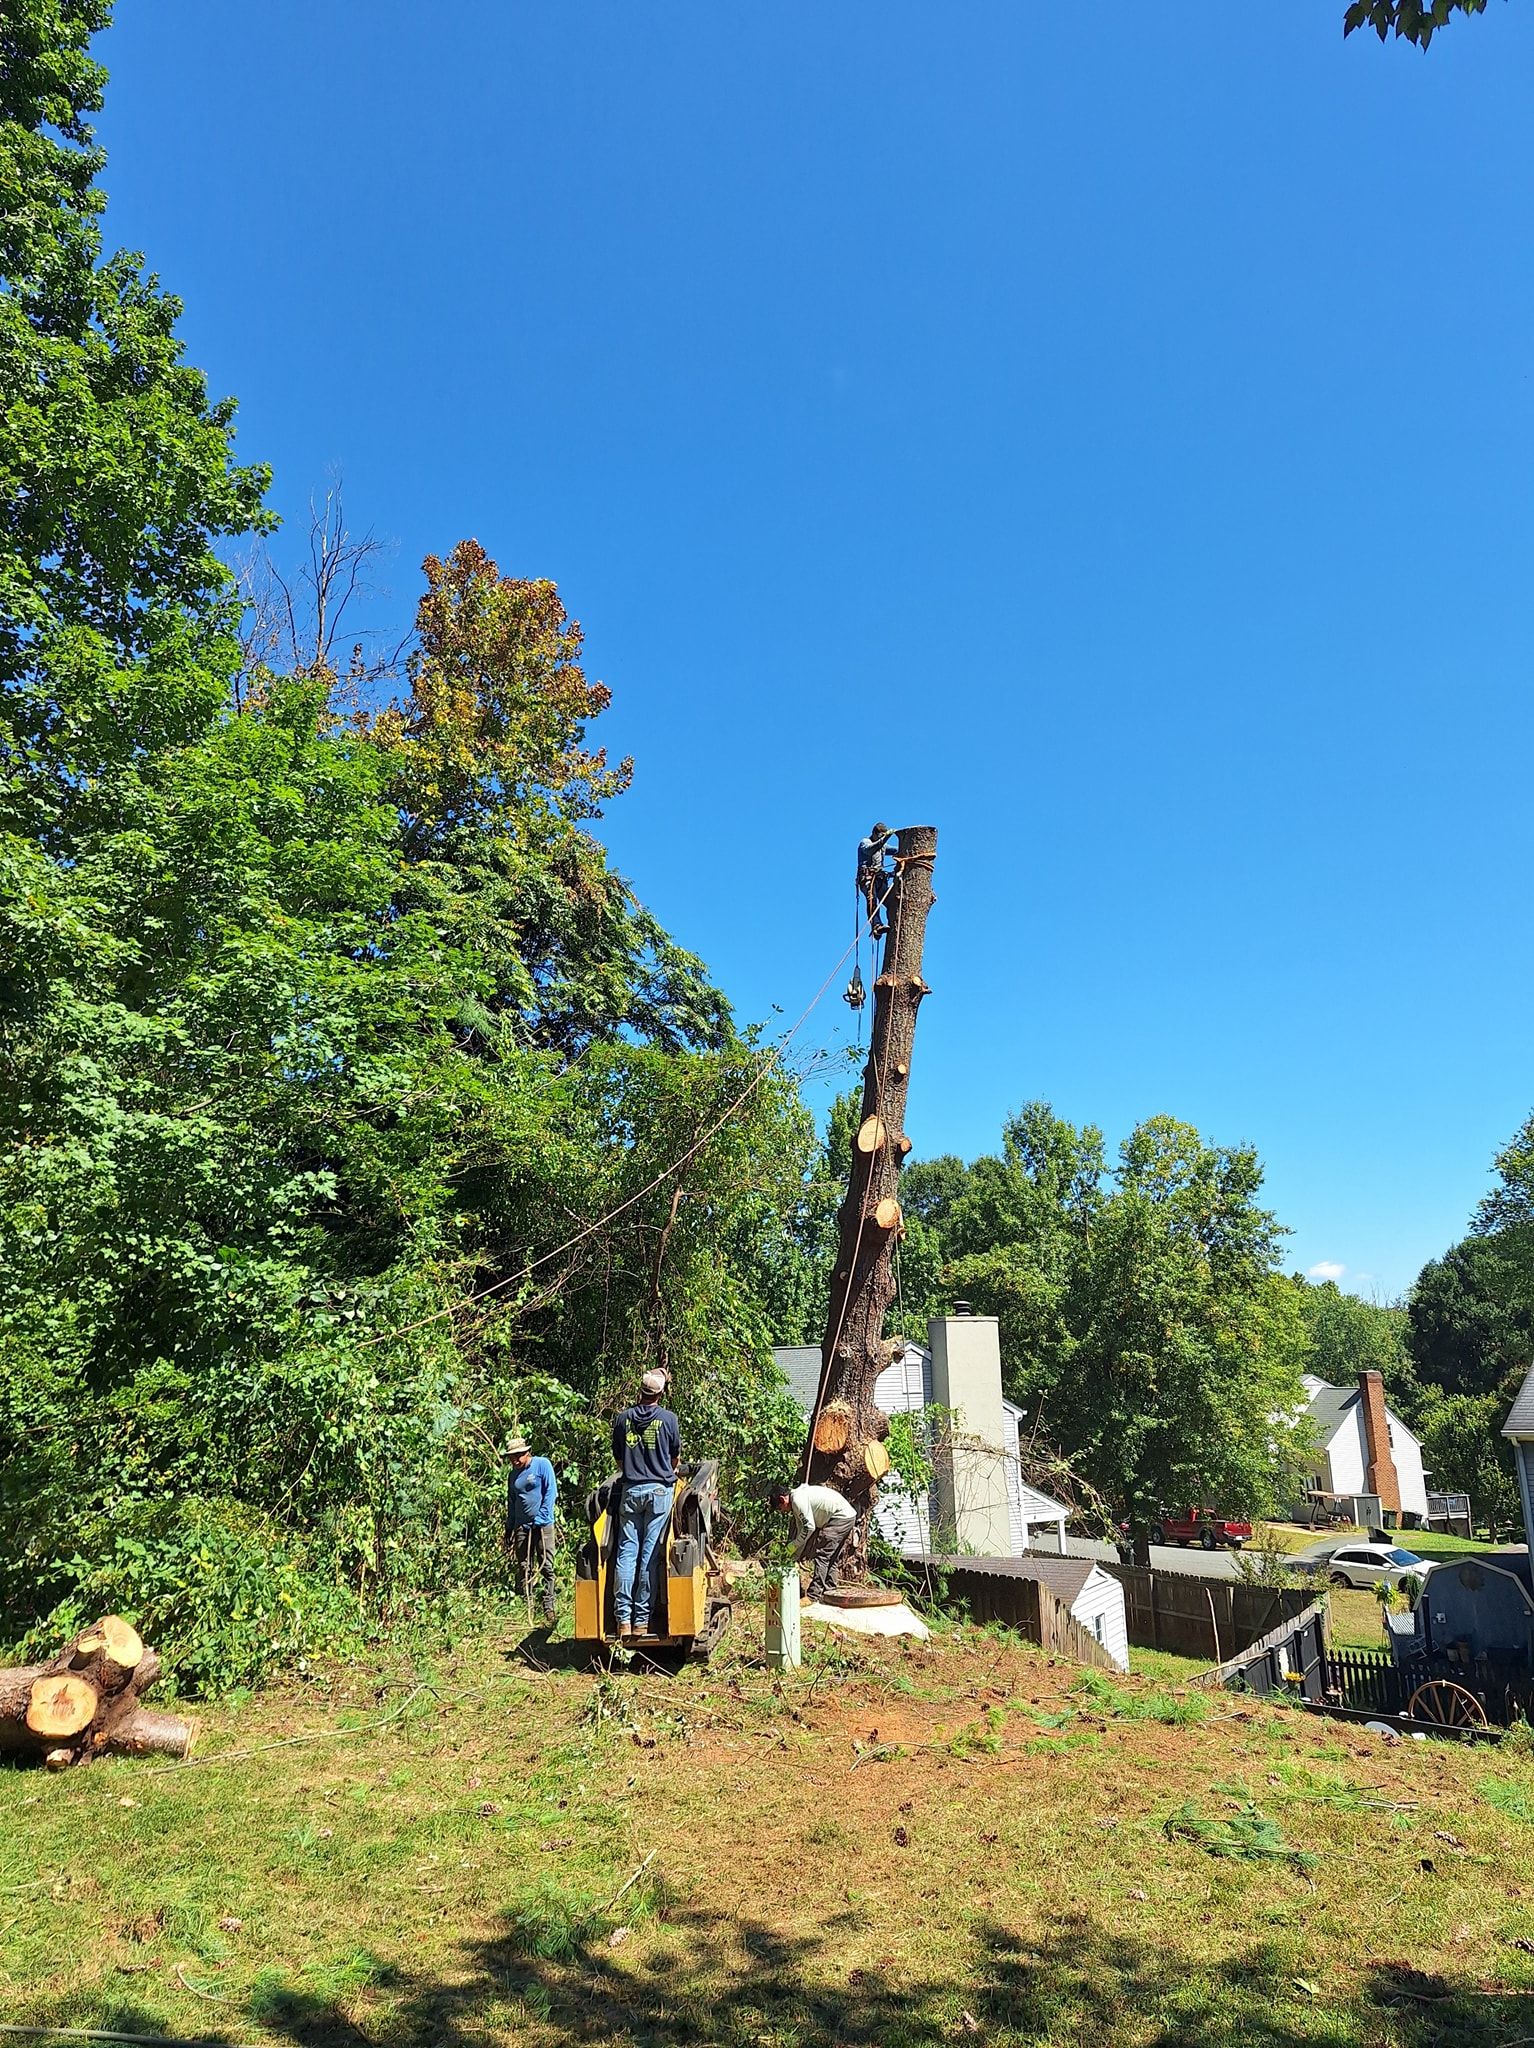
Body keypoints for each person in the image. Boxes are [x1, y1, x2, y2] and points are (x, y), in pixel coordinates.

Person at [611, 1370, 681, 1640]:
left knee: (626, 1555)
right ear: (660, 1394)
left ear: (639, 1390)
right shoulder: (668, 1419)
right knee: (650, 1556)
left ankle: (623, 1621)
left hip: (630, 1491)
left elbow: (619, 1459)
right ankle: (642, 1621)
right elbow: (675, 1459)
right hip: (659, 1492)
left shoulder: (623, 1419)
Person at [769, 1480, 857, 1601]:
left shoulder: (798, 1501)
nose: (783, 1511)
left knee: (823, 1555)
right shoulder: (797, 1498)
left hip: (840, 1518)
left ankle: (813, 1595)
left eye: (780, 1508)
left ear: (782, 1499)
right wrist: (795, 1555)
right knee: (831, 1557)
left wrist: (794, 1545)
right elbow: (802, 1531)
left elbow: (809, 1527)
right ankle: (830, 1592)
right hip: (847, 1516)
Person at [504, 1435, 558, 1626]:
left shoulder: (542, 1465)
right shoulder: (513, 1475)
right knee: (524, 1566)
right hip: (522, 1526)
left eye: (518, 1456)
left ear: (527, 1453)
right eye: (511, 1457)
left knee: (546, 1566)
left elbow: (551, 1492)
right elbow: (512, 1502)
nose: (515, 1460)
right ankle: (528, 1604)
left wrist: (542, 1518)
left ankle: (549, 1606)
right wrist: (509, 1527)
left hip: (543, 1526)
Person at [855, 823, 893, 938]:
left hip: (880, 880)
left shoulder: (883, 846)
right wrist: (886, 837)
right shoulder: (865, 843)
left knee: (891, 901)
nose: (881, 839)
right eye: (880, 836)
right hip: (868, 879)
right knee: (872, 899)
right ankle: (876, 925)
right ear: (874, 833)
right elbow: (870, 850)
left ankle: (894, 919)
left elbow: (895, 850)